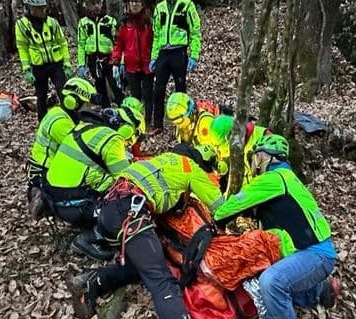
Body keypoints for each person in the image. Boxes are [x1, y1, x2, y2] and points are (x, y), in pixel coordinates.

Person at [67, 144, 228, 319]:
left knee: (142, 266)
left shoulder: (156, 160)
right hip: (131, 213)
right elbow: (220, 206)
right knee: (163, 282)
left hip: (110, 211)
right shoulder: (190, 168)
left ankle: (91, 283)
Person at [212, 135, 340, 319]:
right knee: (273, 274)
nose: (253, 162)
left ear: (263, 157)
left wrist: (215, 219)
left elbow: (232, 205)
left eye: (255, 157)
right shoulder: (288, 179)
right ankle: (320, 290)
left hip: (315, 254)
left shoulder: (273, 179)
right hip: (314, 251)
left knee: (271, 282)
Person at [43, 107, 130, 228]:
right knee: (124, 196)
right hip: (77, 207)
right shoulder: (112, 139)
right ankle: (93, 238)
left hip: (53, 199)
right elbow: (126, 178)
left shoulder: (81, 129)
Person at [27, 77, 98, 216]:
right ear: (73, 103)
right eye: (87, 105)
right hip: (45, 172)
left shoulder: (61, 113)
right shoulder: (60, 123)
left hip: (49, 166)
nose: (89, 109)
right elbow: (82, 148)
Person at [15, 0, 72, 121]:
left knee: (63, 92)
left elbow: (62, 43)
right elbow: (23, 48)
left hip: (55, 63)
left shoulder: (52, 22)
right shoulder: (22, 25)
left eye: (43, 7)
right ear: (31, 8)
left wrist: (67, 64)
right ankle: (43, 123)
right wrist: (26, 70)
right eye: (39, 8)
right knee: (41, 96)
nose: (42, 11)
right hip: (38, 66)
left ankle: (71, 118)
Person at [150, 0, 201, 133]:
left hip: (179, 52)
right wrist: (154, 57)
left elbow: (195, 31)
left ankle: (182, 125)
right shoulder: (160, 7)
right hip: (163, 53)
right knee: (158, 90)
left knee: (180, 89)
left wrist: (194, 55)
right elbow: (156, 35)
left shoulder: (187, 5)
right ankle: (157, 125)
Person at [111, 0, 154, 130]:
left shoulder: (149, 22)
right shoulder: (123, 23)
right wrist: (116, 62)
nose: (135, 4)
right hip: (131, 66)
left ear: (143, 4)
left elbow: (155, 41)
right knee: (135, 96)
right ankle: (137, 121)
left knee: (148, 95)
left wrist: (156, 59)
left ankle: (147, 122)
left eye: (138, 2)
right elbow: (118, 45)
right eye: (132, 2)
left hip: (148, 66)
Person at [77, 1, 121, 107]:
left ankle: (122, 108)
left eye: (98, 3)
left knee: (115, 86)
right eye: (93, 4)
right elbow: (81, 44)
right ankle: (106, 110)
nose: (96, 6)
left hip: (109, 58)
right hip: (94, 60)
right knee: (100, 87)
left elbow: (118, 42)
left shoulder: (109, 21)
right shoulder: (83, 23)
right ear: (87, 5)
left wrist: (118, 60)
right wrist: (81, 64)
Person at [210, 114, 271, 187]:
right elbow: (226, 164)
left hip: (262, 190)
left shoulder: (264, 137)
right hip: (244, 191)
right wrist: (218, 166)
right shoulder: (233, 147)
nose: (219, 149)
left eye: (220, 145)